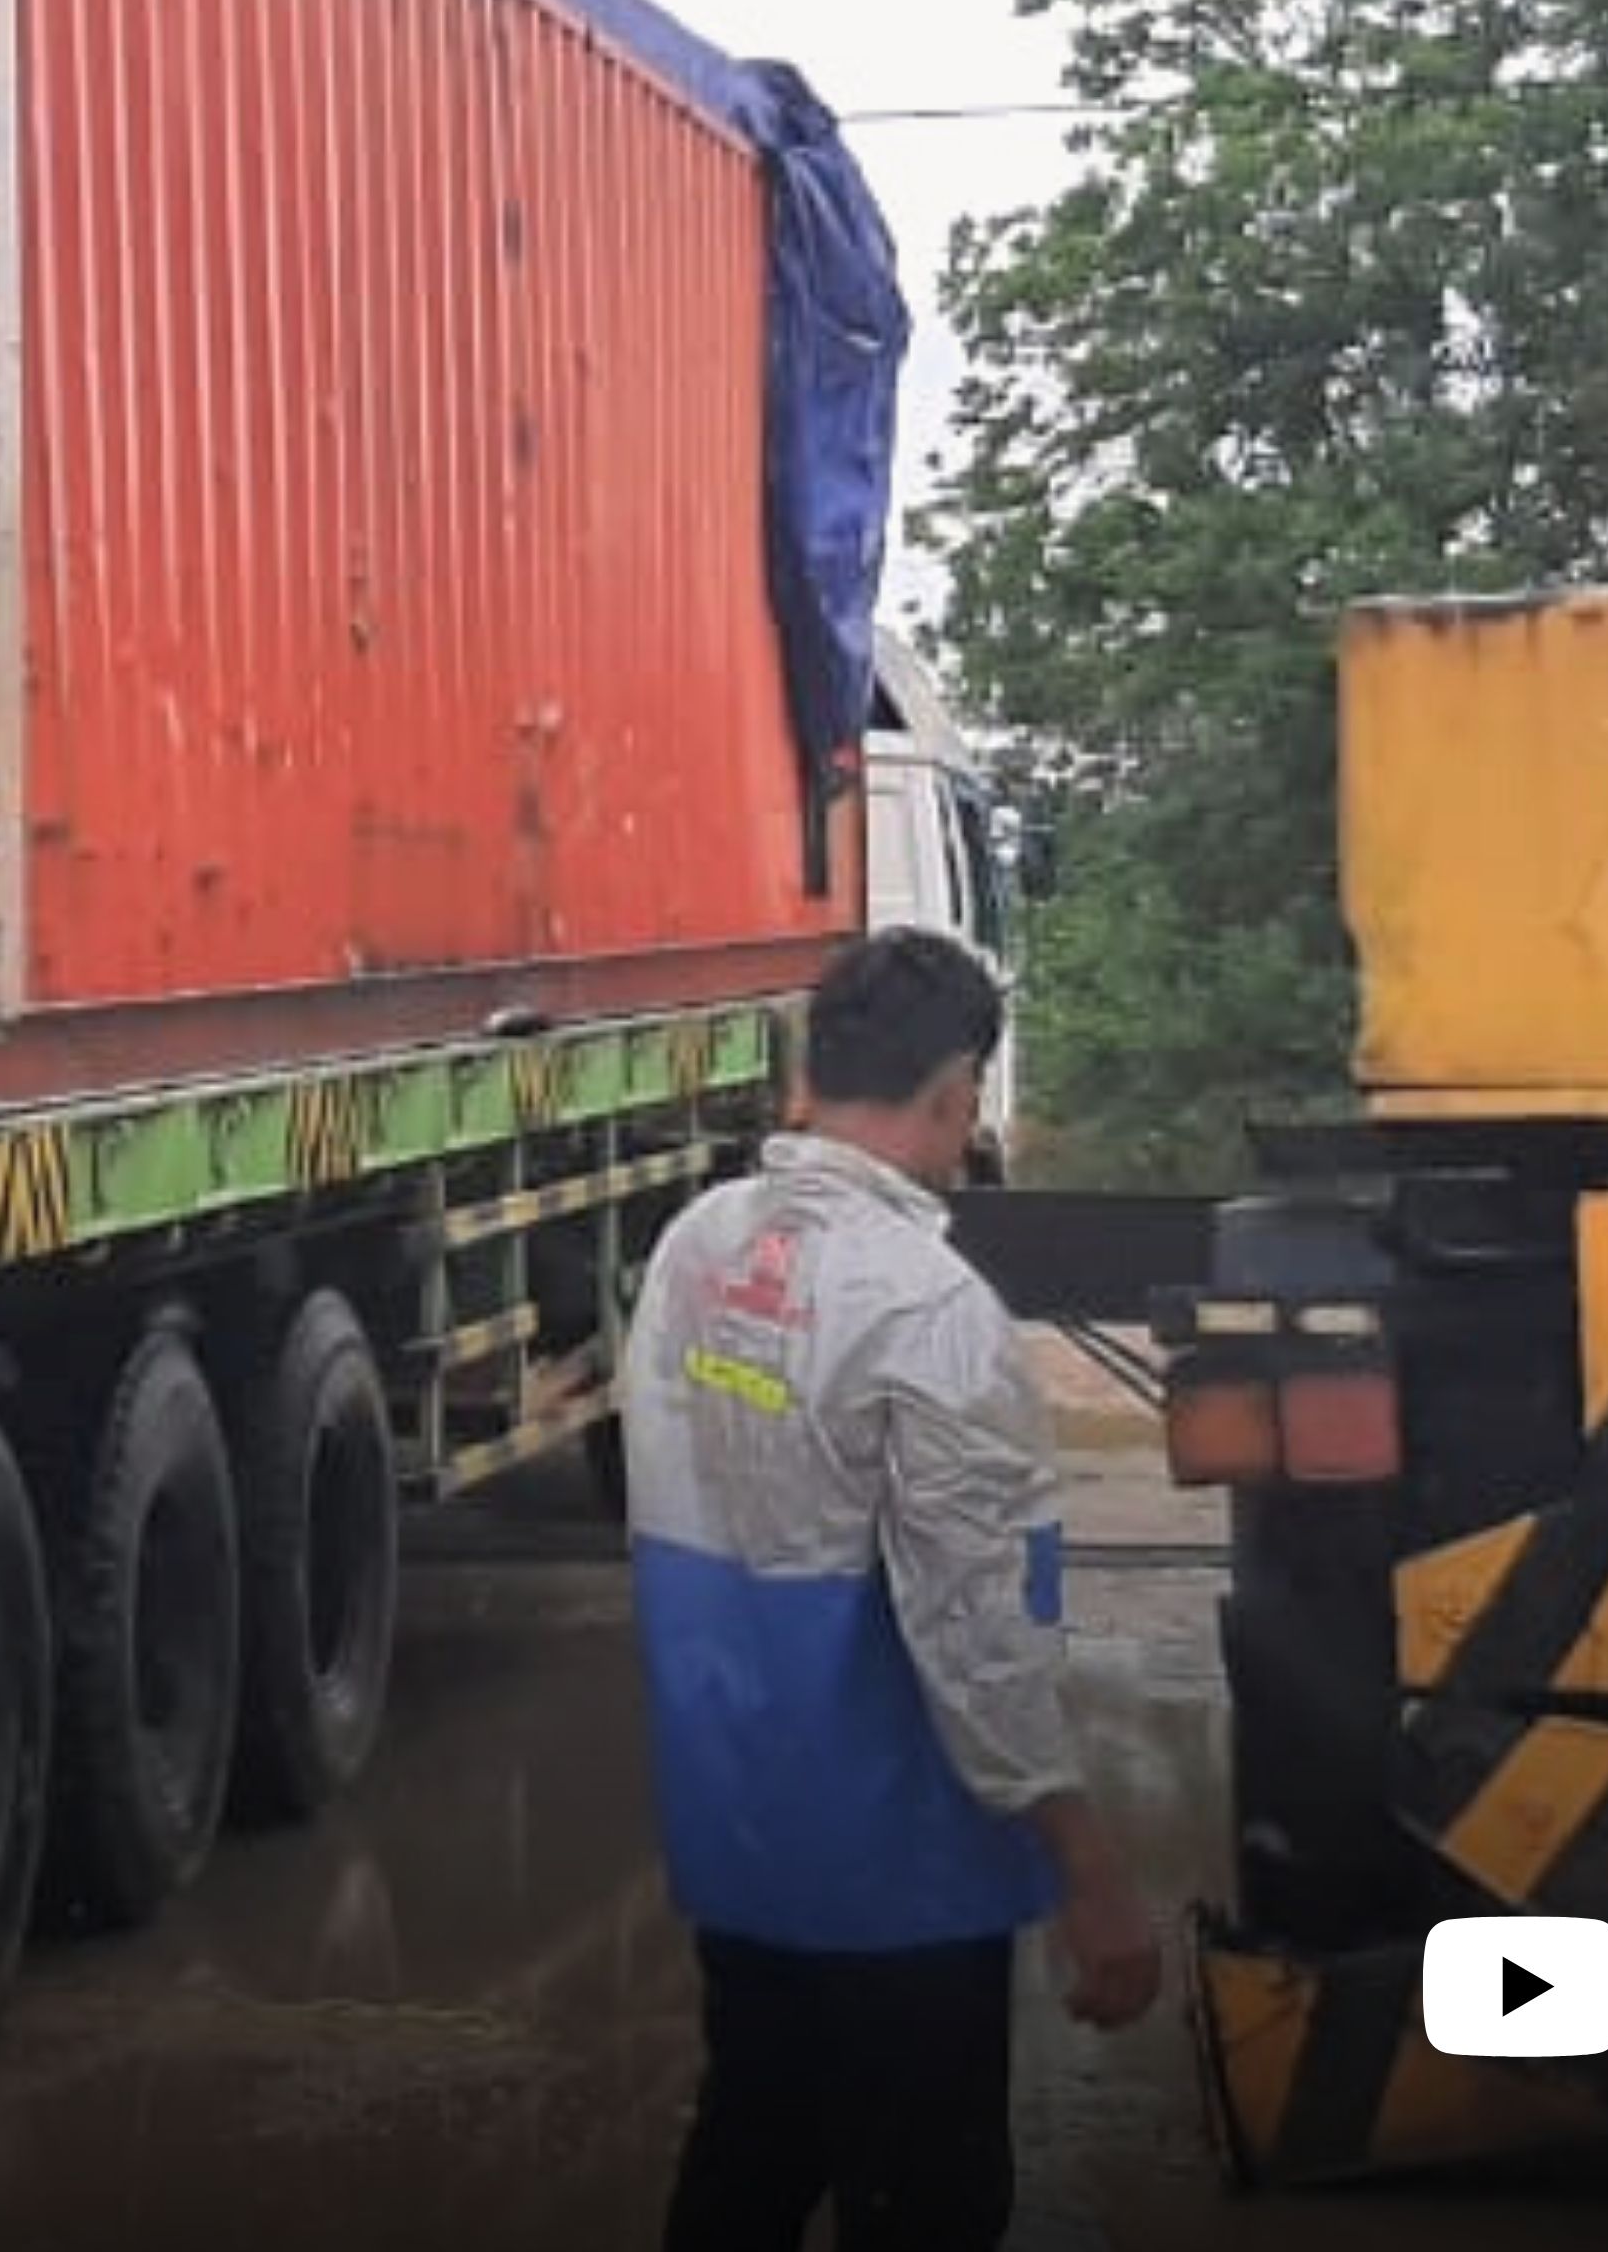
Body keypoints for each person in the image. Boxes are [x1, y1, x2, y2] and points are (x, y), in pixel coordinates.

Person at [625, 928, 1165, 2252]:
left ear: (811, 1072)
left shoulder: (696, 1251)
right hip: (902, 1870)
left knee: (752, 2144)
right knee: (927, 2200)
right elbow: (973, 1633)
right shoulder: (926, 1307)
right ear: (955, 1092)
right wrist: (1087, 1866)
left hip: (741, 1828)